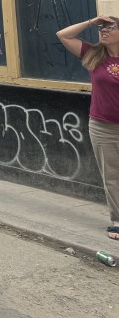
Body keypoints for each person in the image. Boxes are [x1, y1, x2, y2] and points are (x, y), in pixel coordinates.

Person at [56, 15, 119, 241]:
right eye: (101, 27)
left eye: (110, 27)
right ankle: (118, 221)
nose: (104, 30)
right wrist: (92, 21)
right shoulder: (94, 55)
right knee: (112, 176)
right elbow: (63, 35)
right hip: (103, 127)